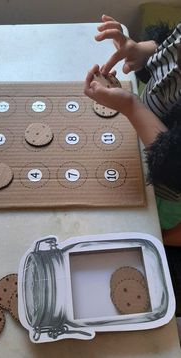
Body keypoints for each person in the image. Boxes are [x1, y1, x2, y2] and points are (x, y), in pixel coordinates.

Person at [84, 15, 181, 245]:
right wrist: (141, 50)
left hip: (165, 191)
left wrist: (130, 106)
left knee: (139, 221)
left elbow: (175, 166)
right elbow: (170, 48)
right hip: (139, 140)